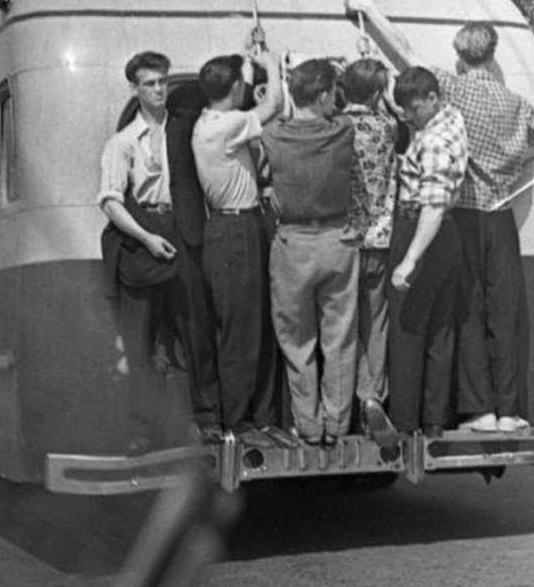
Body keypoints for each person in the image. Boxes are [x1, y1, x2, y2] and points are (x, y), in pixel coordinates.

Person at [346, 0, 534, 433]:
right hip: (500, 217)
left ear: (460, 57)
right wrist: (514, 161)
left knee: (468, 312)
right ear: (493, 54)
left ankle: (478, 410)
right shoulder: (515, 104)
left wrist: (369, 8)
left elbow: (402, 49)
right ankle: (510, 411)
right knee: (504, 314)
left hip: (461, 214)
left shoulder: (451, 89)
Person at [98, 50, 222, 444]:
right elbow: (110, 201)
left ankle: (208, 419)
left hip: (184, 234)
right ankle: (141, 430)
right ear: (134, 88)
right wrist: (147, 238)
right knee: (140, 341)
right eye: (149, 84)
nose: (158, 90)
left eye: (162, 82)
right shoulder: (121, 143)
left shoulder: (184, 128)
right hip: (140, 241)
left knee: (196, 330)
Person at [192, 51, 293, 446]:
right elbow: (274, 104)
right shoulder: (226, 125)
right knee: (240, 330)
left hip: (238, 225)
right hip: (236, 229)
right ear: (235, 88)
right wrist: (269, 60)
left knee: (256, 325)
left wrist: (245, 68)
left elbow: (250, 103)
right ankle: (239, 420)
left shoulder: (210, 121)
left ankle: (259, 415)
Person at [260, 58, 362, 448]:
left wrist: (278, 74)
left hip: (292, 243)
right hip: (338, 240)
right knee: (339, 337)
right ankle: (337, 425)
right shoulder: (342, 130)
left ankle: (309, 424)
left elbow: (278, 115)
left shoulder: (273, 136)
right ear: (322, 96)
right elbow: (342, 109)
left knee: (296, 339)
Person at [387, 67, 468, 437]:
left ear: (433, 99)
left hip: (420, 228)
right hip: (450, 236)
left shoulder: (432, 142)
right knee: (441, 331)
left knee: (407, 330)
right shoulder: (451, 117)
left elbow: (432, 206)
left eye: (414, 109)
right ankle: (435, 420)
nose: (408, 116)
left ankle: (405, 422)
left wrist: (409, 259)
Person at [340, 57, 400, 450]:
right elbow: (395, 111)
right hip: (379, 240)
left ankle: (343, 400)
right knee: (375, 321)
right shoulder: (389, 128)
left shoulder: (336, 128)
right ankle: (373, 395)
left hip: (341, 240)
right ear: (378, 93)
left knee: (342, 323)